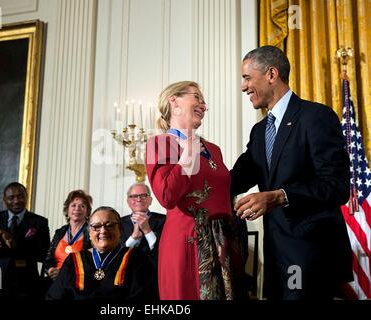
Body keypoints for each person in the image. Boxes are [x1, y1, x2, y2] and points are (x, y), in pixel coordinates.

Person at [231, 45, 353, 300]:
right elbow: (235, 179)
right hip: (276, 256)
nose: (243, 87)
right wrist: (193, 156)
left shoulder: (315, 117)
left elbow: (337, 186)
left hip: (311, 256)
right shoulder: (260, 131)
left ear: (271, 74)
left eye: (247, 77)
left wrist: (279, 196)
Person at [145, 81, 245, 300]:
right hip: (188, 243)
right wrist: (188, 155)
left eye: (204, 101)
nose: (204, 106)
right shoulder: (160, 143)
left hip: (225, 241)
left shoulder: (214, 150)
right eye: (197, 98)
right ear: (174, 101)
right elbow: (166, 196)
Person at [46, 206, 156, 300]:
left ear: (120, 230)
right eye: (96, 226)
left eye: (109, 225)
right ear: (89, 233)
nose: (103, 231)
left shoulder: (136, 258)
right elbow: (54, 296)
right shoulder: (73, 260)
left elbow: (143, 297)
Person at [0, 182, 50, 299]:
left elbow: (44, 254)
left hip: (26, 278)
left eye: (20, 196)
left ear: (26, 196)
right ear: (5, 200)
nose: (16, 201)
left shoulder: (39, 222)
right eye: (11, 198)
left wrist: (16, 245)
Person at [44, 189, 93, 280]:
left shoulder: (92, 233)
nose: (77, 209)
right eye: (73, 205)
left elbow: (91, 264)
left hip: (78, 281)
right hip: (55, 281)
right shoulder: (60, 232)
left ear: (87, 212)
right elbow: (48, 259)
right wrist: (50, 269)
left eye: (82, 206)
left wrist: (63, 273)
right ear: (67, 210)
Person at [120, 183, 166, 267]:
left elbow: (164, 252)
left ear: (150, 200)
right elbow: (117, 255)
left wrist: (147, 230)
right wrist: (134, 237)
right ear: (128, 201)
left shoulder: (164, 221)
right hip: (127, 273)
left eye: (143, 195)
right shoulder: (119, 223)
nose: (138, 199)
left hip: (155, 272)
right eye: (134, 196)